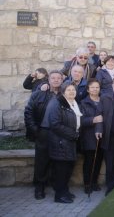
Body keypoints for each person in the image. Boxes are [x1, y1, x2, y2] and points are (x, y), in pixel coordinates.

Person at [24, 70, 64, 200]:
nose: (56, 80)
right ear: (49, 79)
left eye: (59, 78)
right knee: (41, 161)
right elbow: (29, 112)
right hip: (43, 132)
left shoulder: (65, 95)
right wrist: (35, 130)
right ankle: (39, 187)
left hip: (59, 133)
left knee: (57, 161)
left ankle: (56, 186)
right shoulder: (39, 94)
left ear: (62, 80)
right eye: (53, 78)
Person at [47, 82, 82, 203]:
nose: (71, 92)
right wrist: (73, 134)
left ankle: (65, 191)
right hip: (60, 142)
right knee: (61, 171)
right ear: (63, 92)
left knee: (67, 169)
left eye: (73, 90)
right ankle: (59, 195)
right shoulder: (57, 104)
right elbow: (55, 124)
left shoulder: (73, 103)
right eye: (68, 90)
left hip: (70, 142)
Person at [80, 79, 104, 194]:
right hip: (89, 136)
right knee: (89, 162)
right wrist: (93, 120)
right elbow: (80, 120)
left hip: (102, 136)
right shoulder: (83, 103)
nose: (95, 89)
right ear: (88, 90)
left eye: (97, 87)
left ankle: (94, 182)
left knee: (98, 160)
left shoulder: (103, 101)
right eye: (93, 87)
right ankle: (87, 184)